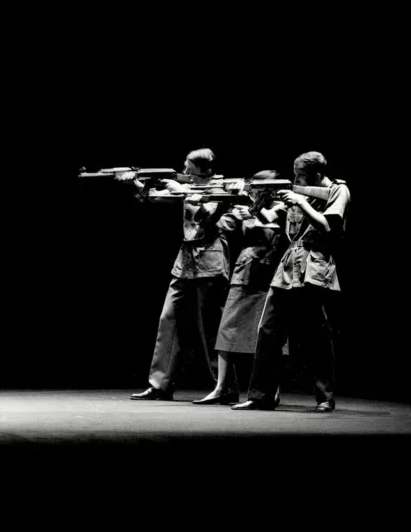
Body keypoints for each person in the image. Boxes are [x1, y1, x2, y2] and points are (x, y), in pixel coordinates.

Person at [233, 152, 349, 412]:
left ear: (317, 176)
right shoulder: (299, 192)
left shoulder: (337, 190)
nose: (295, 180)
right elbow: (268, 219)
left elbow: (328, 225)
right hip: (288, 265)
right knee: (268, 331)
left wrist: (300, 201)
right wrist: (256, 199)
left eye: (299, 176)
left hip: (315, 265)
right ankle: (261, 396)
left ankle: (325, 398)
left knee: (317, 335)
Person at [125, 148, 232, 401]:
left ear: (205, 170)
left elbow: (208, 216)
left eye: (189, 169)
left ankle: (224, 386)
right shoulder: (189, 186)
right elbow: (153, 198)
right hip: (184, 261)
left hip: (210, 259)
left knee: (211, 327)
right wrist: (136, 183)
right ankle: (160, 384)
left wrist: (184, 191)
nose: (184, 172)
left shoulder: (221, 187)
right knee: (168, 320)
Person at [193, 170, 288, 405]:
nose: (254, 190)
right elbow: (216, 226)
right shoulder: (244, 207)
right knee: (227, 328)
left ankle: (269, 389)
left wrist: (253, 210)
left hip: (271, 273)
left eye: (258, 187)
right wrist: (208, 207)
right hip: (245, 271)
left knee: (268, 336)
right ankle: (222, 387)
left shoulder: (283, 204)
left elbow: (274, 224)